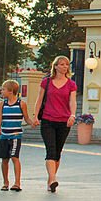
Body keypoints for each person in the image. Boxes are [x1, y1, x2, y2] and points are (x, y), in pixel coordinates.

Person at [35, 55, 78, 193]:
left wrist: (72, 115)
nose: (65, 67)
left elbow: (72, 101)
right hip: (48, 120)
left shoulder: (71, 84)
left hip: (63, 122)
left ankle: (50, 180)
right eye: (62, 64)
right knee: (51, 150)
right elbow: (39, 100)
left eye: (66, 65)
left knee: (57, 153)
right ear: (56, 66)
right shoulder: (46, 82)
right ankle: (53, 179)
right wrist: (35, 116)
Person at [0, 79, 36, 192]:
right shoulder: (2, 104)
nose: (2, 91)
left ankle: (17, 183)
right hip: (4, 135)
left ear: (10, 91)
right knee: (4, 159)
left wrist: (32, 123)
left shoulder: (21, 104)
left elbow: (26, 118)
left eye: (3, 89)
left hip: (15, 135)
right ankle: (5, 182)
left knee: (14, 157)